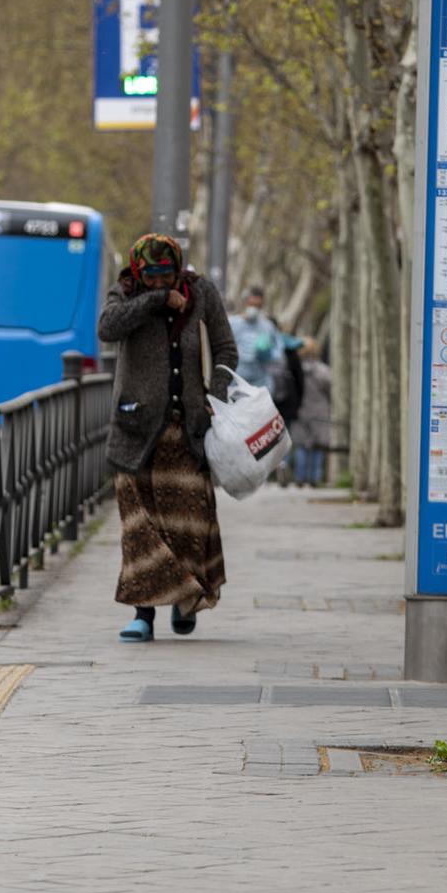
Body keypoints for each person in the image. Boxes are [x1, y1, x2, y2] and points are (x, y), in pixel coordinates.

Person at [97, 233, 239, 642]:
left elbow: (226, 349)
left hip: (188, 430)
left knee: (189, 521)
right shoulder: (124, 293)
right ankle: (143, 615)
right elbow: (108, 328)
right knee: (141, 528)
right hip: (136, 433)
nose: (160, 282)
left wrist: (216, 393)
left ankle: (186, 600)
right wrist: (156, 302)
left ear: (178, 270)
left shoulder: (201, 292)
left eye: (166, 277)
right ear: (139, 273)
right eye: (152, 277)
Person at [288, 343, 333, 488]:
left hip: (301, 410)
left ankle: (300, 478)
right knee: (317, 446)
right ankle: (315, 477)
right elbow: (330, 388)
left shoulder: (295, 370)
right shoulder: (323, 371)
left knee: (302, 445)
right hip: (319, 412)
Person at [230, 285, 284, 389]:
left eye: (258, 306)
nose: (254, 308)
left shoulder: (268, 327)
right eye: (252, 304)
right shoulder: (232, 323)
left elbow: (279, 352)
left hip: (260, 383)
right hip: (235, 382)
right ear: (246, 302)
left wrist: (268, 354)